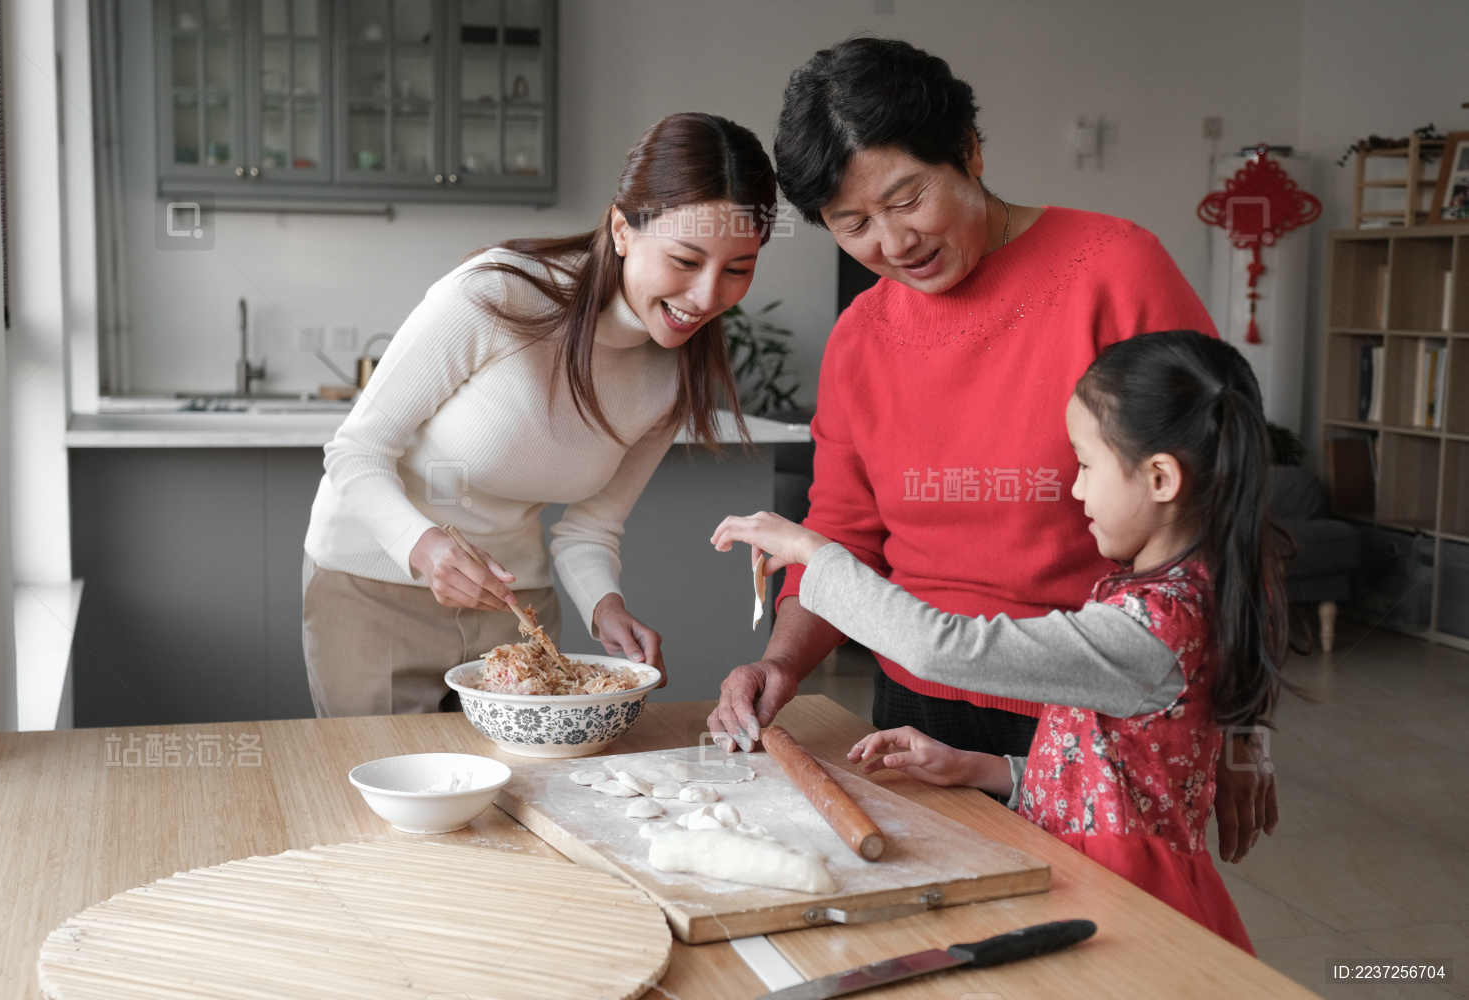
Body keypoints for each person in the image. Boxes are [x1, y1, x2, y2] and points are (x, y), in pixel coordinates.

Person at [706, 37, 1278, 863]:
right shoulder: (861, 337)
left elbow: (1228, 496)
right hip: (914, 713)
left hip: (1089, 706)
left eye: (907, 199)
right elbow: (842, 527)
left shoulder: (1115, 270)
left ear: (970, 153)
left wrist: (1243, 724)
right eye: (852, 224)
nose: (892, 243)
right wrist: (781, 664)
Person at [713, 331, 1295, 953]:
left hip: (1123, 904)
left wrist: (814, 553)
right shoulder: (1173, 594)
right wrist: (982, 769)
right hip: (1082, 870)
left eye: (1086, 464)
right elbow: (1112, 781)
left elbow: (945, 648)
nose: (1074, 491)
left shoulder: (1150, 630)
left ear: (1159, 478)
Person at [302, 112, 778, 717]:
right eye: (685, 261)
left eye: (738, 269)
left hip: (515, 608)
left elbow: (589, 528)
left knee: (518, 799)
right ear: (623, 229)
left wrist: (606, 607)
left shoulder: (674, 372)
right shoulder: (497, 294)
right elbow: (357, 452)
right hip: (374, 591)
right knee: (397, 802)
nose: (708, 297)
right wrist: (421, 547)